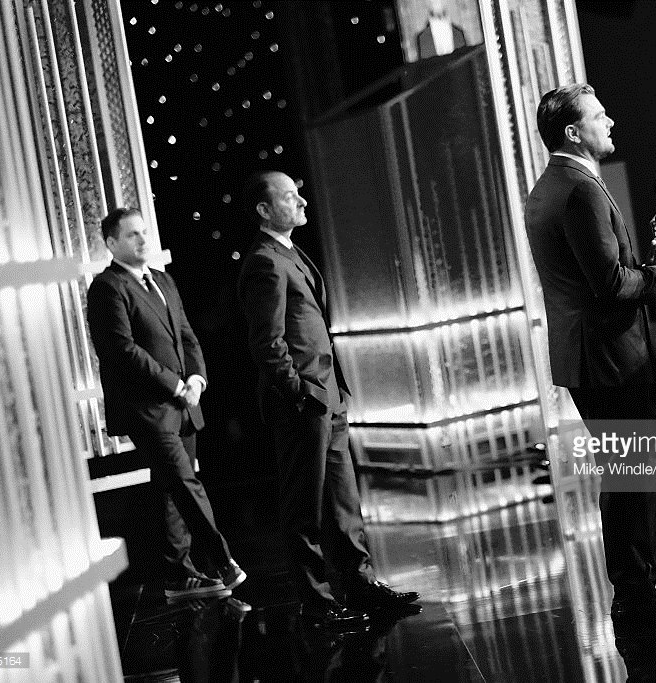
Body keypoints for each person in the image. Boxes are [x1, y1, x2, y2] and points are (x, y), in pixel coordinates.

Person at [525, 84, 656, 627]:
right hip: (609, 357)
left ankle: (634, 595)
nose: (611, 121)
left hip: (589, 357)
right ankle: (638, 600)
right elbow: (611, 284)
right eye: (599, 116)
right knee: (631, 478)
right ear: (574, 132)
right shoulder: (579, 189)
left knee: (624, 477)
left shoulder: (549, 186)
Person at [237, 171, 419, 631]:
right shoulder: (264, 262)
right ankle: (317, 604)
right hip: (304, 402)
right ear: (264, 210)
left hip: (327, 395)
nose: (301, 201)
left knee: (343, 501)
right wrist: (300, 393)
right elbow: (267, 343)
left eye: (299, 193)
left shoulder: (288, 252)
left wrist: (326, 392)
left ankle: (361, 585)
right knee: (305, 508)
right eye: (289, 196)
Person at [87, 208, 245, 600]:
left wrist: (196, 379)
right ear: (111, 243)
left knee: (170, 488)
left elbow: (186, 336)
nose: (143, 239)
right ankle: (222, 561)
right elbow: (120, 349)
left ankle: (178, 575)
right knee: (185, 483)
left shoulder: (163, 280)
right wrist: (174, 385)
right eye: (132, 235)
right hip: (147, 407)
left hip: (183, 403)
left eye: (144, 232)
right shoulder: (107, 287)